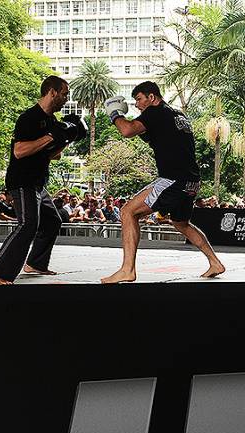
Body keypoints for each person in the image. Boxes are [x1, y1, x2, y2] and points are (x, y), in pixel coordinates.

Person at [100, 81, 225, 283]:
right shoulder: (177, 115)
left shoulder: (155, 112)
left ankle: (127, 270)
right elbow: (150, 136)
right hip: (191, 181)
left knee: (127, 212)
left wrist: (115, 114)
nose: (137, 105)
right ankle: (215, 263)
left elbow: (127, 130)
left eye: (139, 99)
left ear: (152, 97)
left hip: (173, 179)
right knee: (181, 223)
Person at [0, 75, 70, 285]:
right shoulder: (29, 117)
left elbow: (52, 155)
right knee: (27, 225)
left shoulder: (51, 120)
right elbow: (20, 151)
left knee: (52, 221)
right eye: (64, 94)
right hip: (23, 180)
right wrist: (50, 137)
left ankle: (36, 264)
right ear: (52, 92)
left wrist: (66, 138)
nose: (66, 99)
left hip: (39, 182)